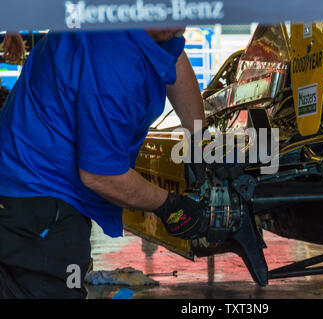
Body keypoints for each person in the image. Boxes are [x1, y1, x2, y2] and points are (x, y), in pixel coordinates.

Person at [0, 27, 209, 298]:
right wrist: (168, 205)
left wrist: (200, 140)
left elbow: (173, 54)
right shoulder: (115, 65)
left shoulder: (131, 22)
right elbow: (101, 174)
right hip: (39, 199)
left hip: (21, 175)